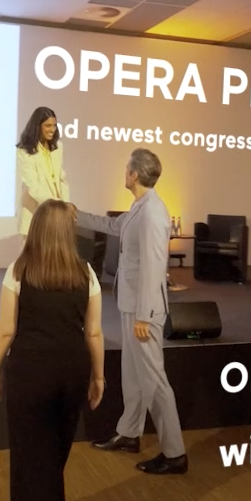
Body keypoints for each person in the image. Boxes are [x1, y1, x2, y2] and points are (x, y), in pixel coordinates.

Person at [0, 199, 105, 501]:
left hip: (29, 373)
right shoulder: (86, 273)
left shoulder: (19, 270)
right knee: (52, 461)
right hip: (72, 372)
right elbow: (94, 332)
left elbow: (6, 329)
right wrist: (98, 377)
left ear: (36, 229)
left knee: (30, 463)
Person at [77, 148, 186, 474]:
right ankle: (129, 432)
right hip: (132, 305)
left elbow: (155, 267)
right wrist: (74, 214)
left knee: (154, 380)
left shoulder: (152, 212)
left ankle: (175, 453)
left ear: (135, 174)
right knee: (133, 375)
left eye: (127, 168)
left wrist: (144, 315)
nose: (124, 172)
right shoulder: (140, 207)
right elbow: (112, 225)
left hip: (143, 311)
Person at [15, 106, 69, 236]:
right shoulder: (24, 151)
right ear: (37, 126)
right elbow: (32, 186)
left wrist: (65, 205)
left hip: (56, 216)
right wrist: (55, 204)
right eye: (48, 126)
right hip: (35, 213)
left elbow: (61, 179)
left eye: (54, 125)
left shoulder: (58, 147)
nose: (52, 130)